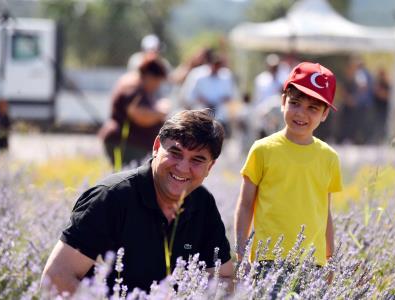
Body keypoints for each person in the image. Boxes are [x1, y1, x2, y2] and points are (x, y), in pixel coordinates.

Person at [42, 109, 233, 295]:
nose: (183, 168)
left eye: (197, 160)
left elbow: (223, 278)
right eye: (175, 152)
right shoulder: (111, 198)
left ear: (210, 167)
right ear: (157, 147)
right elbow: (57, 277)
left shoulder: (203, 204)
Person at [235, 62, 343, 275]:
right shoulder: (262, 149)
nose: (301, 114)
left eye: (313, 108)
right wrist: (241, 255)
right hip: (267, 260)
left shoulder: (329, 157)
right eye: (295, 103)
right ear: (283, 101)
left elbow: (325, 212)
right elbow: (246, 204)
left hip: (313, 263)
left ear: (324, 114)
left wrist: (330, 258)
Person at [98, 55, 170, 169]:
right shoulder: (134, 86)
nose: (157, 86)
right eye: (157, 81)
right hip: (128, 142)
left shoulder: (134, 82)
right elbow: (138, 113)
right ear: (150, 76)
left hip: (131, 142)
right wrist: (160, 113)